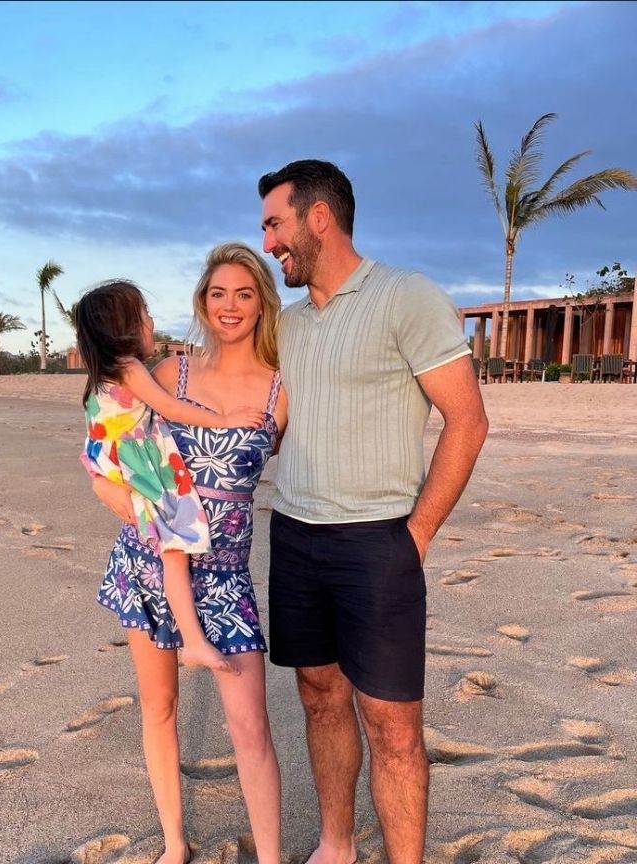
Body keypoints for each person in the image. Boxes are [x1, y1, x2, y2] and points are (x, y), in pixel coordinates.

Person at [258, 160, 489, 864]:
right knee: (319, 696)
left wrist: (415, 535)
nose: (268, 243)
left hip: (378, 541)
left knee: (391, 723)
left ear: (318, 217)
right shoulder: (289, 325)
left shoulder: (406, 297)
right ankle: (337, 845)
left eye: (275, 224)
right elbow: (272, 425)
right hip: (294, 536)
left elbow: (468, 420)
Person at [91, 243, 287, 864]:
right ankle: (175, 844)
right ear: (203, 301)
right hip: (149, 564)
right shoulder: (169, 370)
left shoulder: (283, 388)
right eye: (218, 293)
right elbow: (109, 433)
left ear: (262, 304)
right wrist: (103, 486)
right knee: (160, 707)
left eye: (244, 294)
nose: (230, 306)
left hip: (226, 577)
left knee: (251, 727)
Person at [76, 279, 265, 675]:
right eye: (143, 315)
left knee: (170, 554)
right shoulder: (129, 369)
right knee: (175, 552)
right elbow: (171, 408)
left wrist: (99, 477)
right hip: (141, 471)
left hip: (112, 465)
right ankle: (193, 641)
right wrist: (225, 420)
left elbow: (97, 435)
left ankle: (191, 640)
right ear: (123, 328)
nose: (151, 322)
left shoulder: (101, 378)